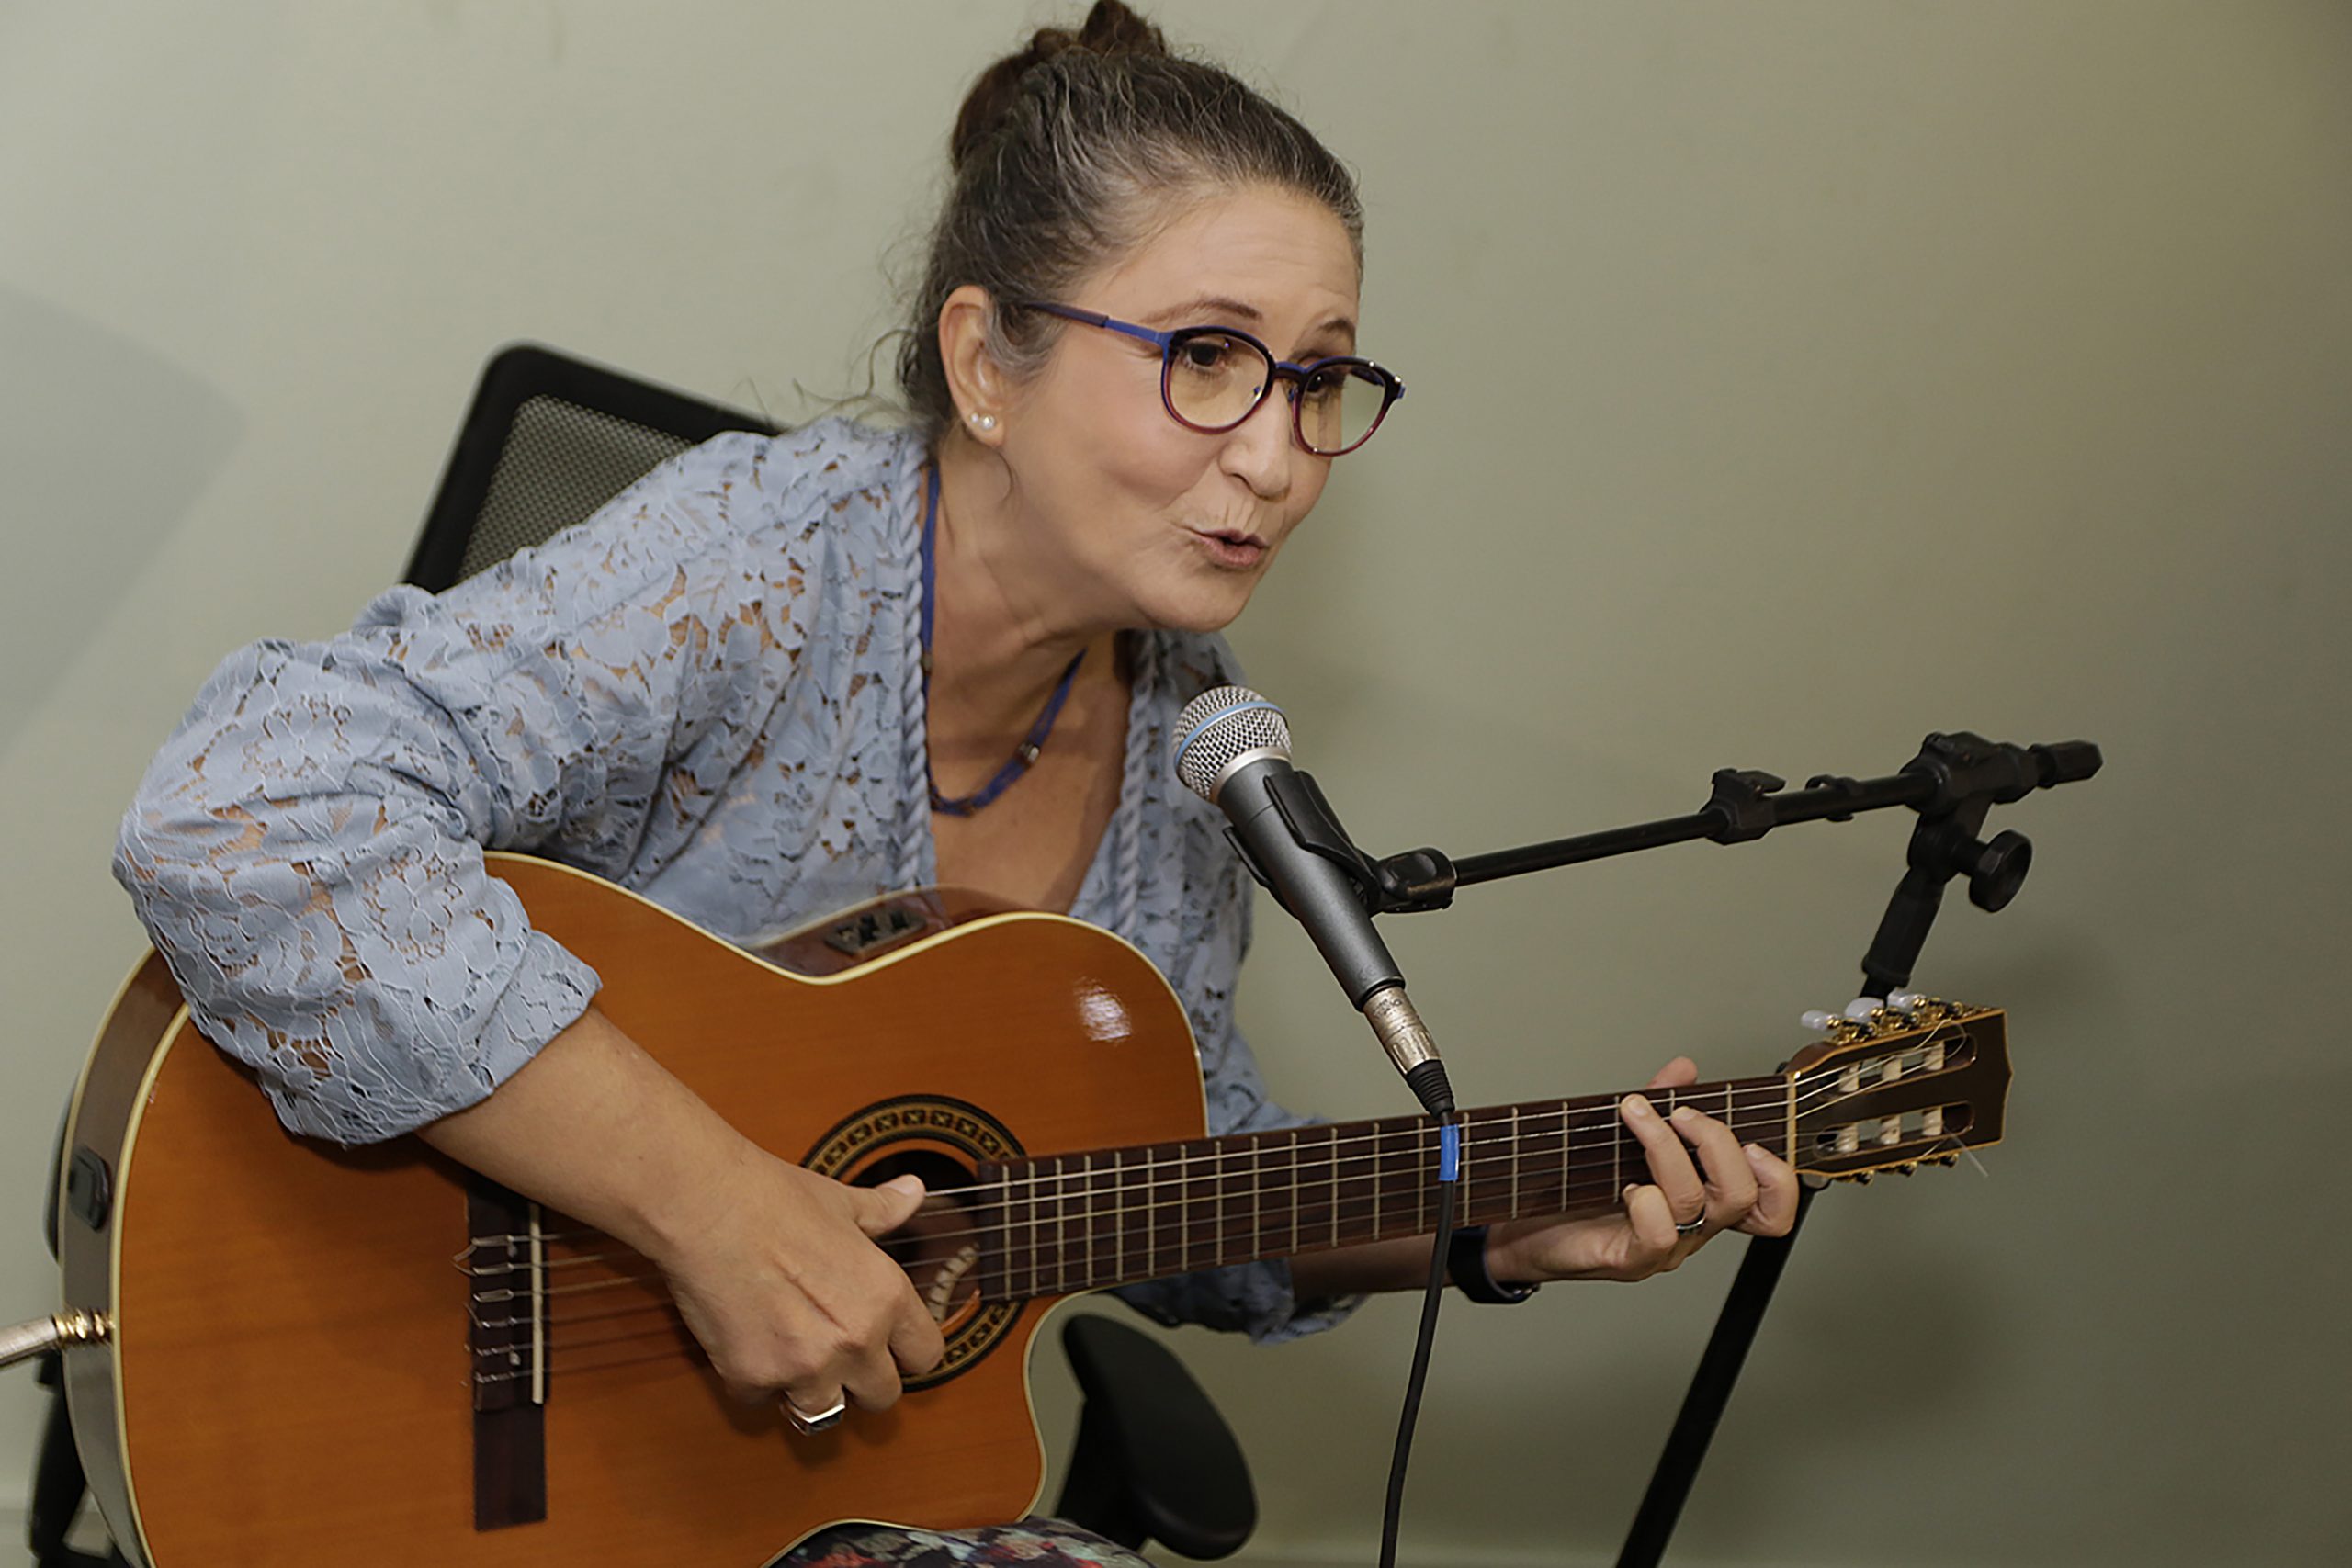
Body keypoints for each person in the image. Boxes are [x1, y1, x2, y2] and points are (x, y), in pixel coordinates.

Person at [113, 6, 1795, 1564]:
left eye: (1318, 379)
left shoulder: (1197, 740)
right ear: (988, 363)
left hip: (792, 1493)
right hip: (438, 1422)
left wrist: (1496, 1227)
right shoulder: (763, 562)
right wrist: (713, 1209)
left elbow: (1181, 1179)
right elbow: (244, 810)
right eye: (1207, 357)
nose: (1278, 456)